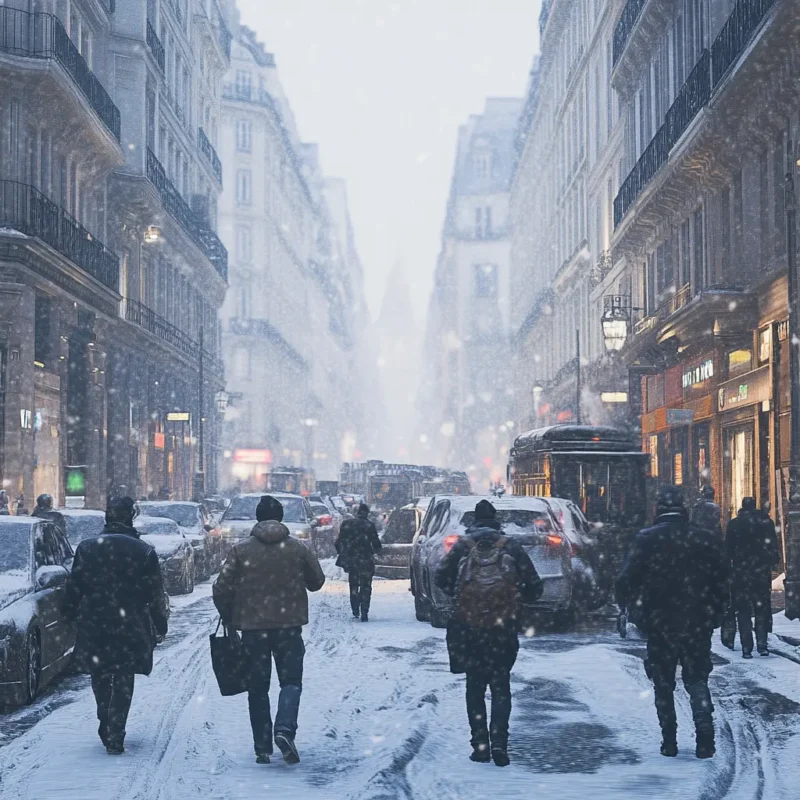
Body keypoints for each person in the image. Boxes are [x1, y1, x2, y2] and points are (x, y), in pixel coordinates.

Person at [617, 485, 728, 759]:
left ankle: (669, 740)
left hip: (660, 622)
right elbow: (722, 581)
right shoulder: (704, 539)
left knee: (663, 682)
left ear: (658, 510)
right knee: (697, 678)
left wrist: (631, 605)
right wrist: (715, 613)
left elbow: (625, 581)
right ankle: (705, 734)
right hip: (697, 620)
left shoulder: (647, 539)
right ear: (684, 510)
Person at [213, 495, 325, 765]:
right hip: (289, 627)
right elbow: (317, 581)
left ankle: (262, 747)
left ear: (258, 517)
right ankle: (284, 730)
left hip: (253, 630)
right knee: (291, 682)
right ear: (281, 517)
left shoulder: (241, 550)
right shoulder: (297, 548)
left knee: (257, 687)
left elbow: (221, 588)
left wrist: (229, 616)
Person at [435, 499, 543, 767]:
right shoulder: (510, 546)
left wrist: (464, 599)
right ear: (496, 521)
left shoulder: (463, 546)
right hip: (502, 627)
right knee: (500, 685)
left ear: (473, 521)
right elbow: (534, 587)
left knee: (475, 686)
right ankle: (500, 744)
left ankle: (480, 744)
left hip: (470, 627)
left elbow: (441, 579)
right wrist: (514, 598)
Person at [62, 496, 169, 754]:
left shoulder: (87, 548)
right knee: (123, 675)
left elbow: (75, 585)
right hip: (129, 620)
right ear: (130, 517)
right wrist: (159, 623)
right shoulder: (143, 551)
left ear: (107, 517)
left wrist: (69, 611)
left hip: (95, 620)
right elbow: (155, 593)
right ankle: (116, 729)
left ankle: (105, 717)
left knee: (100, 672)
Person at [725, 497, 780, 658]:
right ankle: (762, 644)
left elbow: (728, 549)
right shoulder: (766, 523)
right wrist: (768, 562)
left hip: (741, 572)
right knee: (762, 608)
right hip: (761, 572)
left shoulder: (734, 524)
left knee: (743, 610)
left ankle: (746, 647)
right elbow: (773, 547)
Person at [335, 503, 382, 622]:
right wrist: (377, 551)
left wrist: (343, 553)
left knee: (354, 584)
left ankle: (355, 608)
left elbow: (338, 542)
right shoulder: (369, 525)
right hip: (366, 560)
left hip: (352, 560)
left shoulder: (347, 524)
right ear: (367, 513)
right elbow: (376, 544)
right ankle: (365, 611)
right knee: (366, 586)